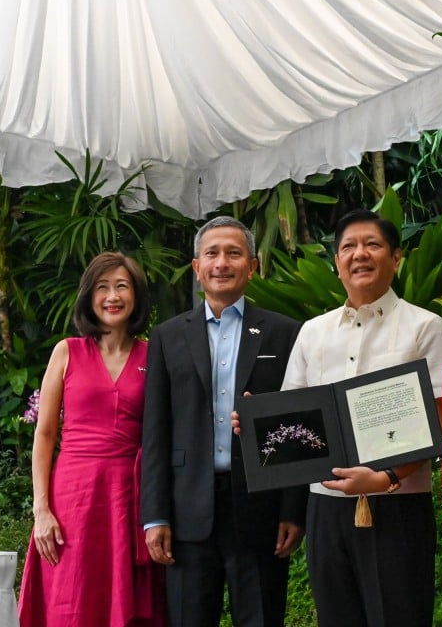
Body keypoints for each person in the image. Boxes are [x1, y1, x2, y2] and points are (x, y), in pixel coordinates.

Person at [278, 209, 442, 627]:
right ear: (337, 263)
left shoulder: (424, 326)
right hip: (325, 507)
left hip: (398, 505)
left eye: (373, 245)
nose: (360, 254)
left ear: (396, 258)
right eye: (348, 247)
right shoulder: (312, 332)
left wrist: (387, 477)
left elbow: (440, 418)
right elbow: (293, 413)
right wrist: (257, 426)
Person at [141, 216, 305, 627]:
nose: (222, 263)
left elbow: (296, 422)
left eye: (234, 253)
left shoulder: (284, 333)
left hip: (259, 506)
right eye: (211, 254)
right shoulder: (167, 337)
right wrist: (156, 515)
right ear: (197, 268)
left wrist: (292, 509)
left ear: (252, 266)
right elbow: (156, 430)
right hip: (186, 508)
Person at [18, 252, 166, 627]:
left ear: (136, 295)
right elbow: (45, 434)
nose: (112, 296)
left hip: (129, 499)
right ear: (89, 296)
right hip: (73, 498)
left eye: (122, 286)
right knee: (71, 600)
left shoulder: (154, 355)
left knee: (127, 604)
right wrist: (41, 510)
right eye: (103, 287)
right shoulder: (66, 351)